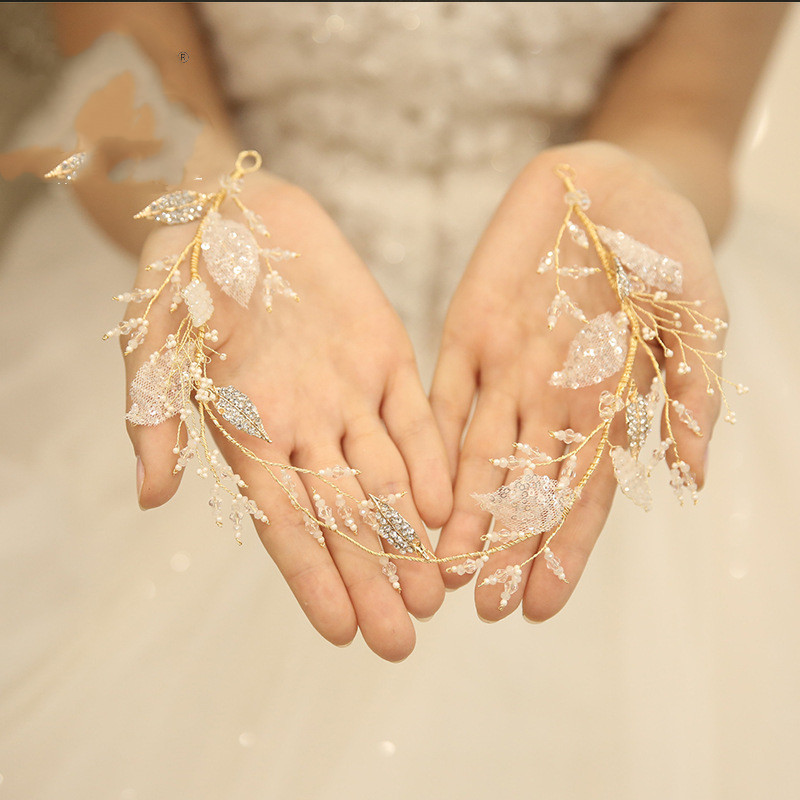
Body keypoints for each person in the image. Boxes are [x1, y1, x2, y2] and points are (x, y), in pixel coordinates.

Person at [29, 2, 785, 664]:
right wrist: (207, 204)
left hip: (561, 327)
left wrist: (636, 193)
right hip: (267, 322)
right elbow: (123, 71)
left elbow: (684, 114)